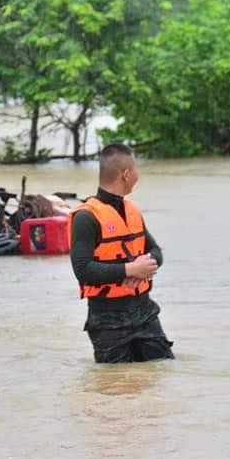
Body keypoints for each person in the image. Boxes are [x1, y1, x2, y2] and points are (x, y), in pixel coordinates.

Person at [69, 143, 174, 364]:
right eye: (136, 169)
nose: (138, 175)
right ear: (126, 175)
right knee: (114, 388)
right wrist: (130, 269)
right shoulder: (86, 218)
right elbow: (83, 270)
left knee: (163, 372)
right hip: (107, 320)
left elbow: (155, 251)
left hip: (144, 313)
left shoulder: (132, 210)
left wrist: (145, 266)